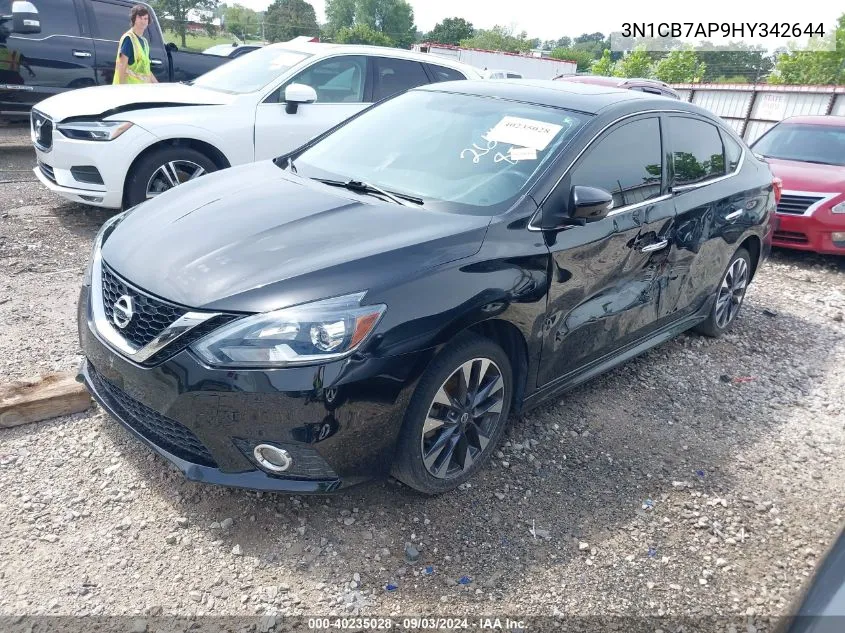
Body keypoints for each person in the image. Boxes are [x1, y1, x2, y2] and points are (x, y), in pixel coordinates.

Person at [113, 4, 157, 85]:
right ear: (134, 19)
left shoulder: (144, 42)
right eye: (140, 18)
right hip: (130, 92)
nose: (143, 21)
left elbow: (147, 72)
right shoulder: (129, 39)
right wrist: (123, 91)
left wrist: (158, 86)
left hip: (141, 92)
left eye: (146, 18)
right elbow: (121, 68)